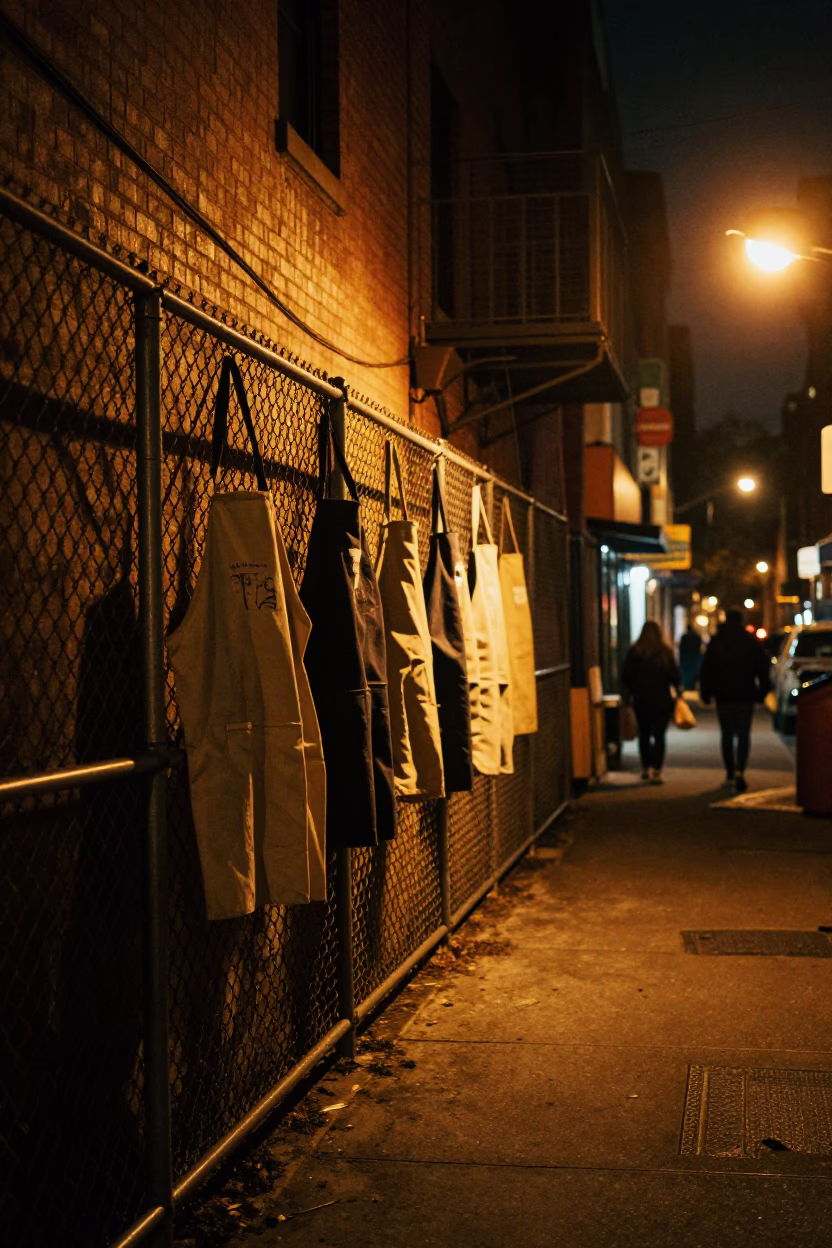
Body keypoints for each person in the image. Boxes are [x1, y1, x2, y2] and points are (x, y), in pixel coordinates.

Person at [699, 608, 770, 792]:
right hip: (745, 694)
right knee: (744, 734)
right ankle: (740, 770)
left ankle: (730, 772)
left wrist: (706, 693)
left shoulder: (717, 641)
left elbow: (707, 669)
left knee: (727, 734)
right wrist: (763, 691)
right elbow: (761, 668)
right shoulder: (749, 641)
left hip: (723, 695)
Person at [621, 620, 682, 785]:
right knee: (659, 736)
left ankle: (645, 768)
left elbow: (626, 676)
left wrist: (627, 696)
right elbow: (674, 675)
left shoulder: (635, 652)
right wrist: (678, 691)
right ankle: (657, 771)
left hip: (641, 699)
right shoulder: (665, 652)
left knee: (644, 734)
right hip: (662, 700)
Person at [679, 623, 703, 691]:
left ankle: (688, 688)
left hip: (686, 661)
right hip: (693, 660)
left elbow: (681, 650)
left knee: (687, 677)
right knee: (692, 676)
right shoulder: (696, 637)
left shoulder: (684, 638)